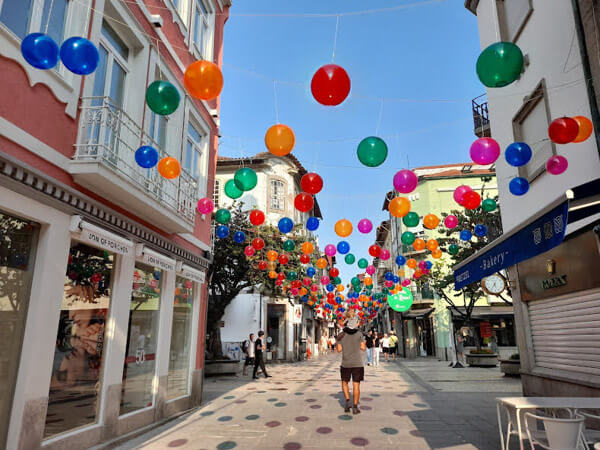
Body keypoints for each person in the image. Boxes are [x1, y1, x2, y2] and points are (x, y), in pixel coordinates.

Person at [336, 310, 366, 414]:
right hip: (357, 363)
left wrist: (338, 342)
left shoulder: (341, 335)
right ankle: (355, 407)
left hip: (346, 363)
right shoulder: (359, 334)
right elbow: (363, 348)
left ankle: (348, 402)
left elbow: (339, 350)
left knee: (345, 382)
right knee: (356, 385)